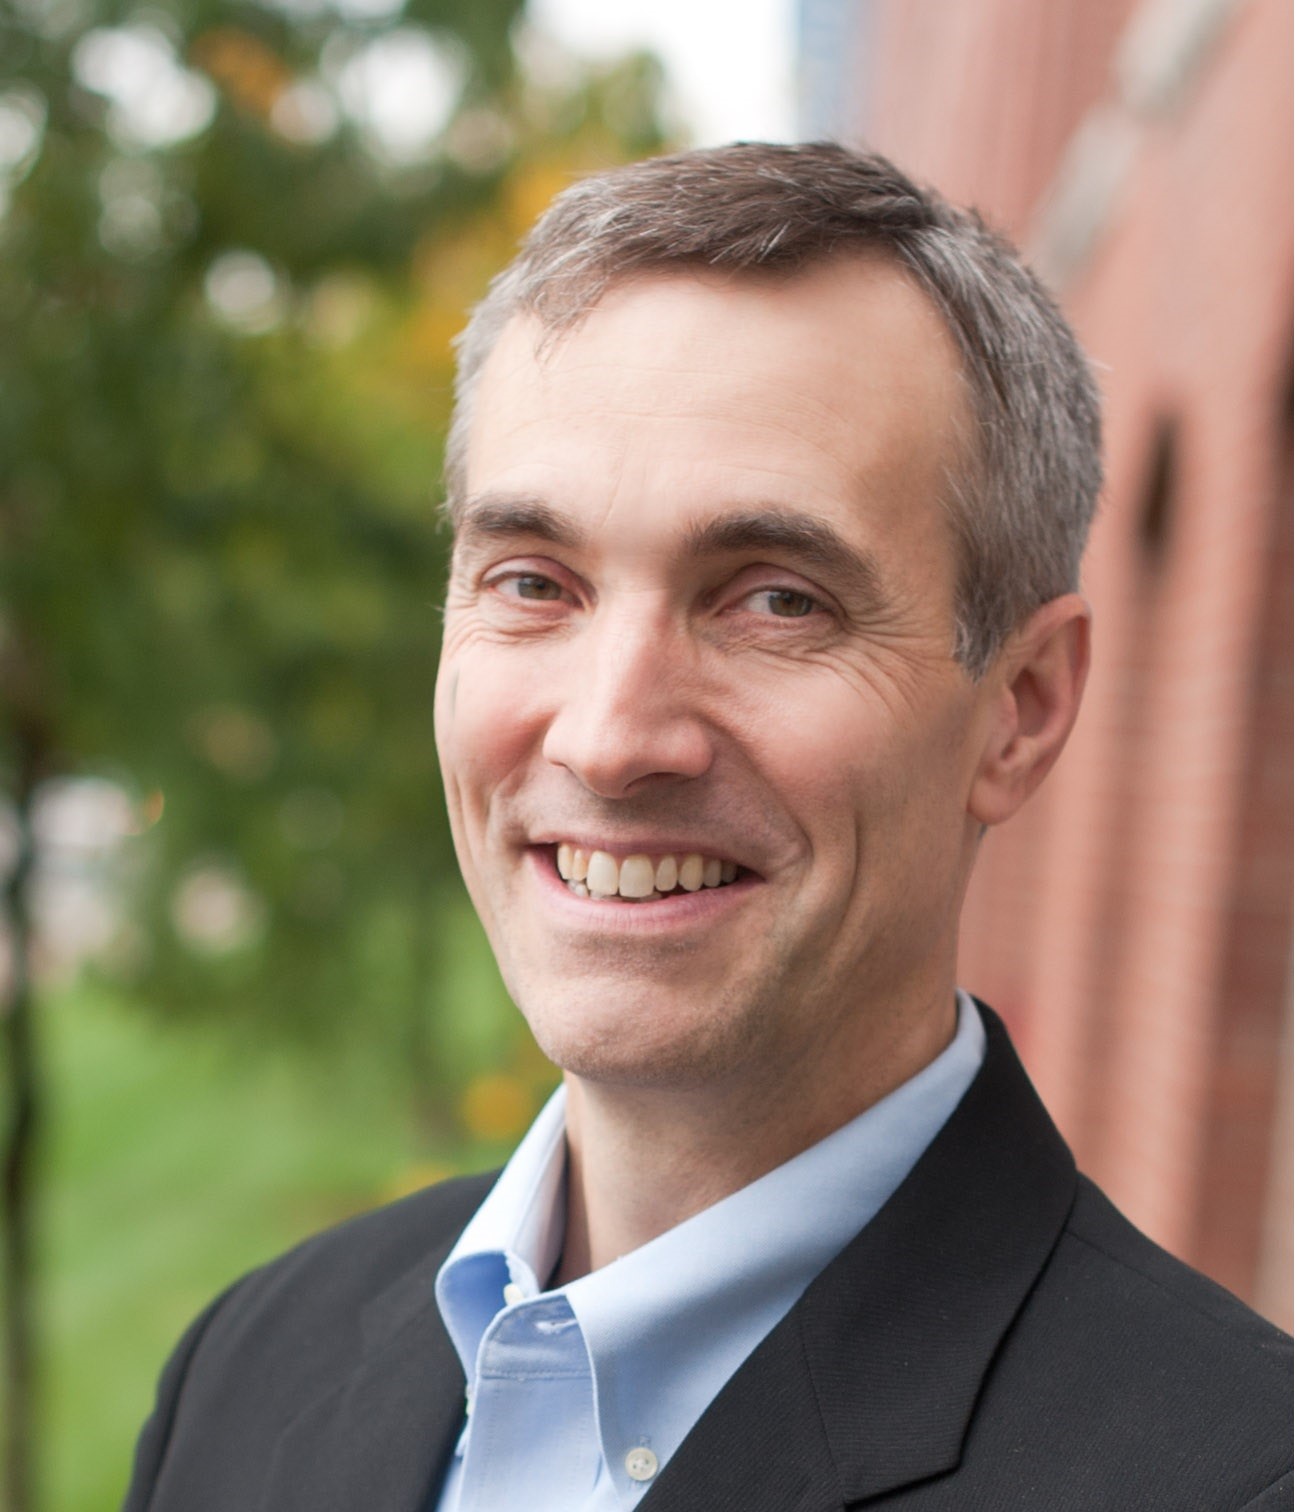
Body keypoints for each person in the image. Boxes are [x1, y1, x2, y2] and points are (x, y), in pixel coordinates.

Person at [123, 143, 1291, 1512]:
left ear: (1020, 709)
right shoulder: (251, 1366)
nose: (612, 737)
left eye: (776, 600)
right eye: (532, 581)